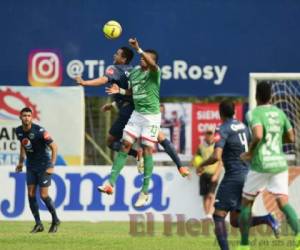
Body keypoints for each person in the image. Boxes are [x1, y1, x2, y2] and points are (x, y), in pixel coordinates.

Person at [76, 48, 189, 177]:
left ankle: (136, 155)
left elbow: (103, 80)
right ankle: (180, 166)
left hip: (129, 111)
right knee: (160, 137)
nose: (114, 55)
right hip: (139, 108)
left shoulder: (115, 69)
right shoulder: (134, 70)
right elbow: (133, 91)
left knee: (111, 142)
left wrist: (85, 82)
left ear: (123, 59)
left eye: (117, 54)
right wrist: (113, 104)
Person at [197, 101, 279, 250]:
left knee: (218, 216)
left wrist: (201, 164)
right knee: (235, 221)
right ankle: (267, 219)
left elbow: (216, 156)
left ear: (220, 113)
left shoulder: (222, 128)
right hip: (249, 175)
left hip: (234, 176)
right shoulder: (243, 126)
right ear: (234, 111)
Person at [98, 38, 164, 207]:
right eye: (141, 57)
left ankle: (144, 191)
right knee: (125, 145)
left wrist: (139, 49)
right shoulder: (134, 72)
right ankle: (110, 184)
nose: (141, 58)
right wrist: (118, 91)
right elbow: (132, 91)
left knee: (147, 149)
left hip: (151, 117)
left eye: (145, 58)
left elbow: (150, 62)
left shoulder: (155, 72)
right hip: (137, 114)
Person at [238, 82, 300, 250]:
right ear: (272, 96)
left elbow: (258, 135)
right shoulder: (280, 113)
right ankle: (299, 236)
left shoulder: (253, 113)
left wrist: (250, 152)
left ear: (256, 96)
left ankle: (244, 245)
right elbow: (291, 138)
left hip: (261, 164)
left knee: (246, 204)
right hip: (279, 163)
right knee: (283, 203)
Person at [15, 107, 60, 233]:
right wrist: (20, 162)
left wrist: (52, 165)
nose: (26, 117)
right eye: (24, 115)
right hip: (31, 166)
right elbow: (23, 144)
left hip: (44, 165)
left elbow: (54, 147)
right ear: (20, 117)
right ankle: (38, 224)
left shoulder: (39, 131)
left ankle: (55, 220)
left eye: (29, 115)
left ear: (32, 117)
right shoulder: (18, 131)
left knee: (44, 195)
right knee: (30, 194)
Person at [193, 126, 221, 220]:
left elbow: (220, 162)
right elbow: (196, 158)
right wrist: (197, 167)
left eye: (210, 133)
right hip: (204, 174)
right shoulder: (201, 146)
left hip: (213, 173)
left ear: (214, 135)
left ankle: (210, 213)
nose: (209, 135)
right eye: (207, 133)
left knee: (211, 195)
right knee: (204, 195)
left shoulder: (217, 146)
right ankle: (206, 215)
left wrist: (216, 174)